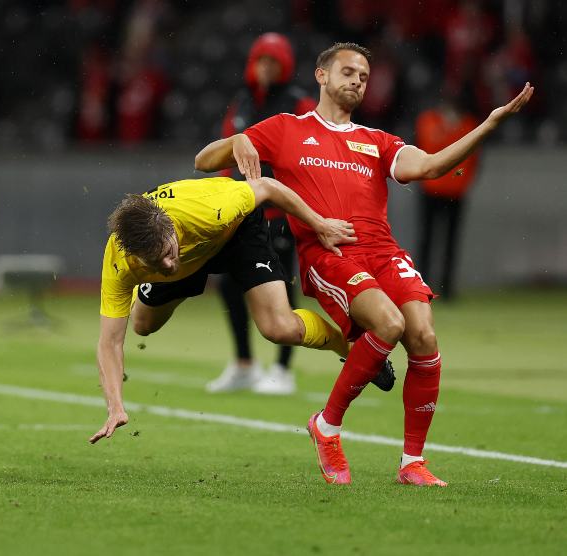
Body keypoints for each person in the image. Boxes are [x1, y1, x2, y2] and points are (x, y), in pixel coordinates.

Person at [195, 42, 533, 486]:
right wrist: (239, 137)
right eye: (348, 71)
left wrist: (489, 124)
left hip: (384, 252)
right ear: (321, 74)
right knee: (388, 325)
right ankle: (328, 427)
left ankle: (412, 462)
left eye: (364, 77)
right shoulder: (284, 128)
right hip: (330, 254)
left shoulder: (377, 141)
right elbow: (204, 161)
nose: (357, 80)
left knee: (425, 336)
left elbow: (430, 167)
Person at [90, 175, 359, 444]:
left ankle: (348, 347)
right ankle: (156, 285)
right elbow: (109, 342)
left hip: (233, 235)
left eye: (167, 253)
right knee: (142, 325)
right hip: (191, 256)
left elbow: (268, 186)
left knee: (280, 329)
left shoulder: (212, 208)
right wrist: (115, 407)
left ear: (170, 227)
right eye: (155, 263)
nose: (168, 265)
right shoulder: (120, 263)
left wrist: (319, 224)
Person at [208, 32, 317, 395]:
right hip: (243, 212)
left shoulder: (298, 104)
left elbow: (311, 156)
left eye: (273, 62)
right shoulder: (241, 102)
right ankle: (244, 364)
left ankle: (283, 369)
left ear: (285, 66)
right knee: (228, 285)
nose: (266, 68)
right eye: (261, 61)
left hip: (280, 213)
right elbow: (226, 155)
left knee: (282, 289)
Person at [415, 96, 479, 300]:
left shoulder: (468, 124)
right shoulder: (428, 120)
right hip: (431, 189)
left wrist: (464, 182)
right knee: (426, 239)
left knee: (451, 241)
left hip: (455, 191)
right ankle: (422, 285)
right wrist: (449, 128)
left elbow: (472, 156)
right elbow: (428, 146)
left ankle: (448, 286)